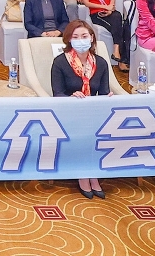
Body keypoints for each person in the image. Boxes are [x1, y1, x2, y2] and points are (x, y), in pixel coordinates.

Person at [50, 20, 114, 198]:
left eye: (84, 36)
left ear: (91, 38)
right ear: (69, 40)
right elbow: (57, 93)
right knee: (84, 130)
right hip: (69, 112)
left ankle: (93, 173)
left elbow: (104, 91)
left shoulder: (101, 63)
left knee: (98, 128)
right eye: (75, 37)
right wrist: (72, 98)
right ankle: (84, 174)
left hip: (92, 112)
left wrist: (107, 97)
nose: (80, 40)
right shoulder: (60, 62)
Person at [79, 0, 121, 64]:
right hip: (96, 13)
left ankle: (116, 50)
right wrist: (104, 7)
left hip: (110, 11)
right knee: (119, 26)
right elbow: (86, 3)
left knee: (117, 16)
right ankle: (120, 57)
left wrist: (110, 9)